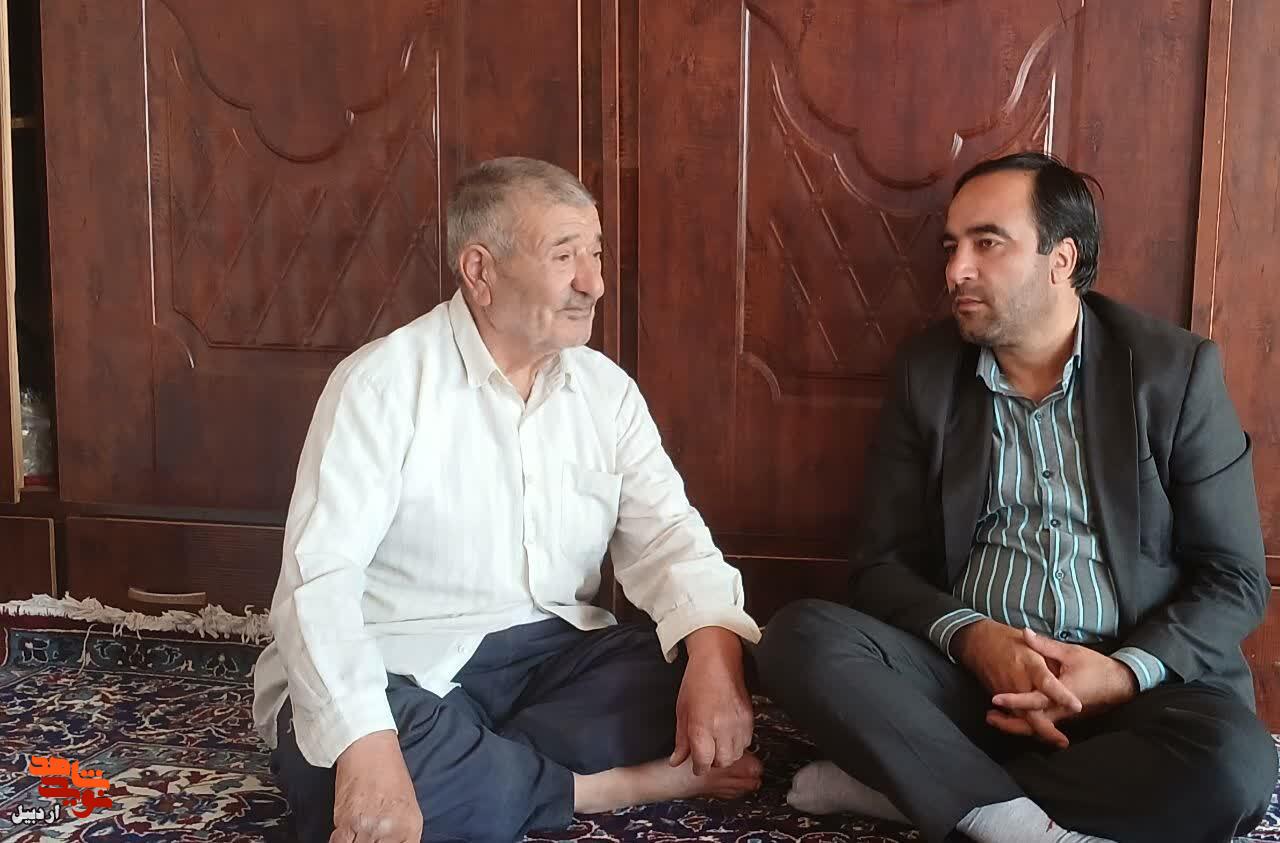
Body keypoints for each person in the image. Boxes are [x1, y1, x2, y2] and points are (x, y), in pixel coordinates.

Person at [754, 152, 1277, 843]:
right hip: (969, 684)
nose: (956, 270)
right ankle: (1005, 813)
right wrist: (974, 638)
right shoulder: (926, 375)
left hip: (1129, 691)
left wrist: (1120, 673)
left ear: (1061, 259)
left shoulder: (1173, 373)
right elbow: (880, 566)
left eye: (987, 243)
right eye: (952, 247)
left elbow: (1234, 578)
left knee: (1237, 768)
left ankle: (922, 790)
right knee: (797, 636)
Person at [253, 156, 764, 843]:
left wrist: (714, 660)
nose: (594, 282)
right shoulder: (380, 385)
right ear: (480, 271)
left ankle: (481, 776)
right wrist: (369, 749)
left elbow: (671, 537)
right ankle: (604, 786)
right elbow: (318, 582)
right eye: (564, 255)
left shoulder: (606, 393)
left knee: (695, 665)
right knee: (353, 754)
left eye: (596, 253)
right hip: (403, 667)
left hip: (549, 662)